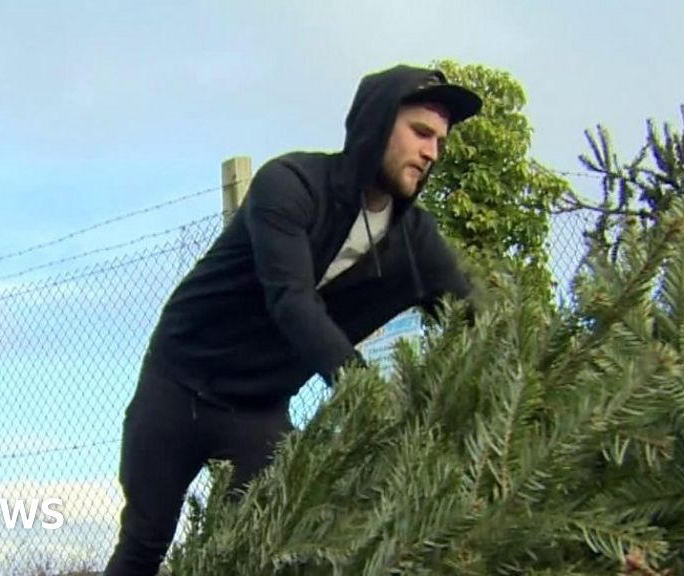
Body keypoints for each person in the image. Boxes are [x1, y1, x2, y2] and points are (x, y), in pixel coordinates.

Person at [103, 63, 483, 576]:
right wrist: (364, 394)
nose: (432, 152)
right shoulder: (292, 184)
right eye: (420, 132)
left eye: (440, 140)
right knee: (145, 543)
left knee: (270, 552)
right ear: (374, 126)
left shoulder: (418, 243)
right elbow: (291, 300)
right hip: (176, 383)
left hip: (257, 410)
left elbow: (477, 324)